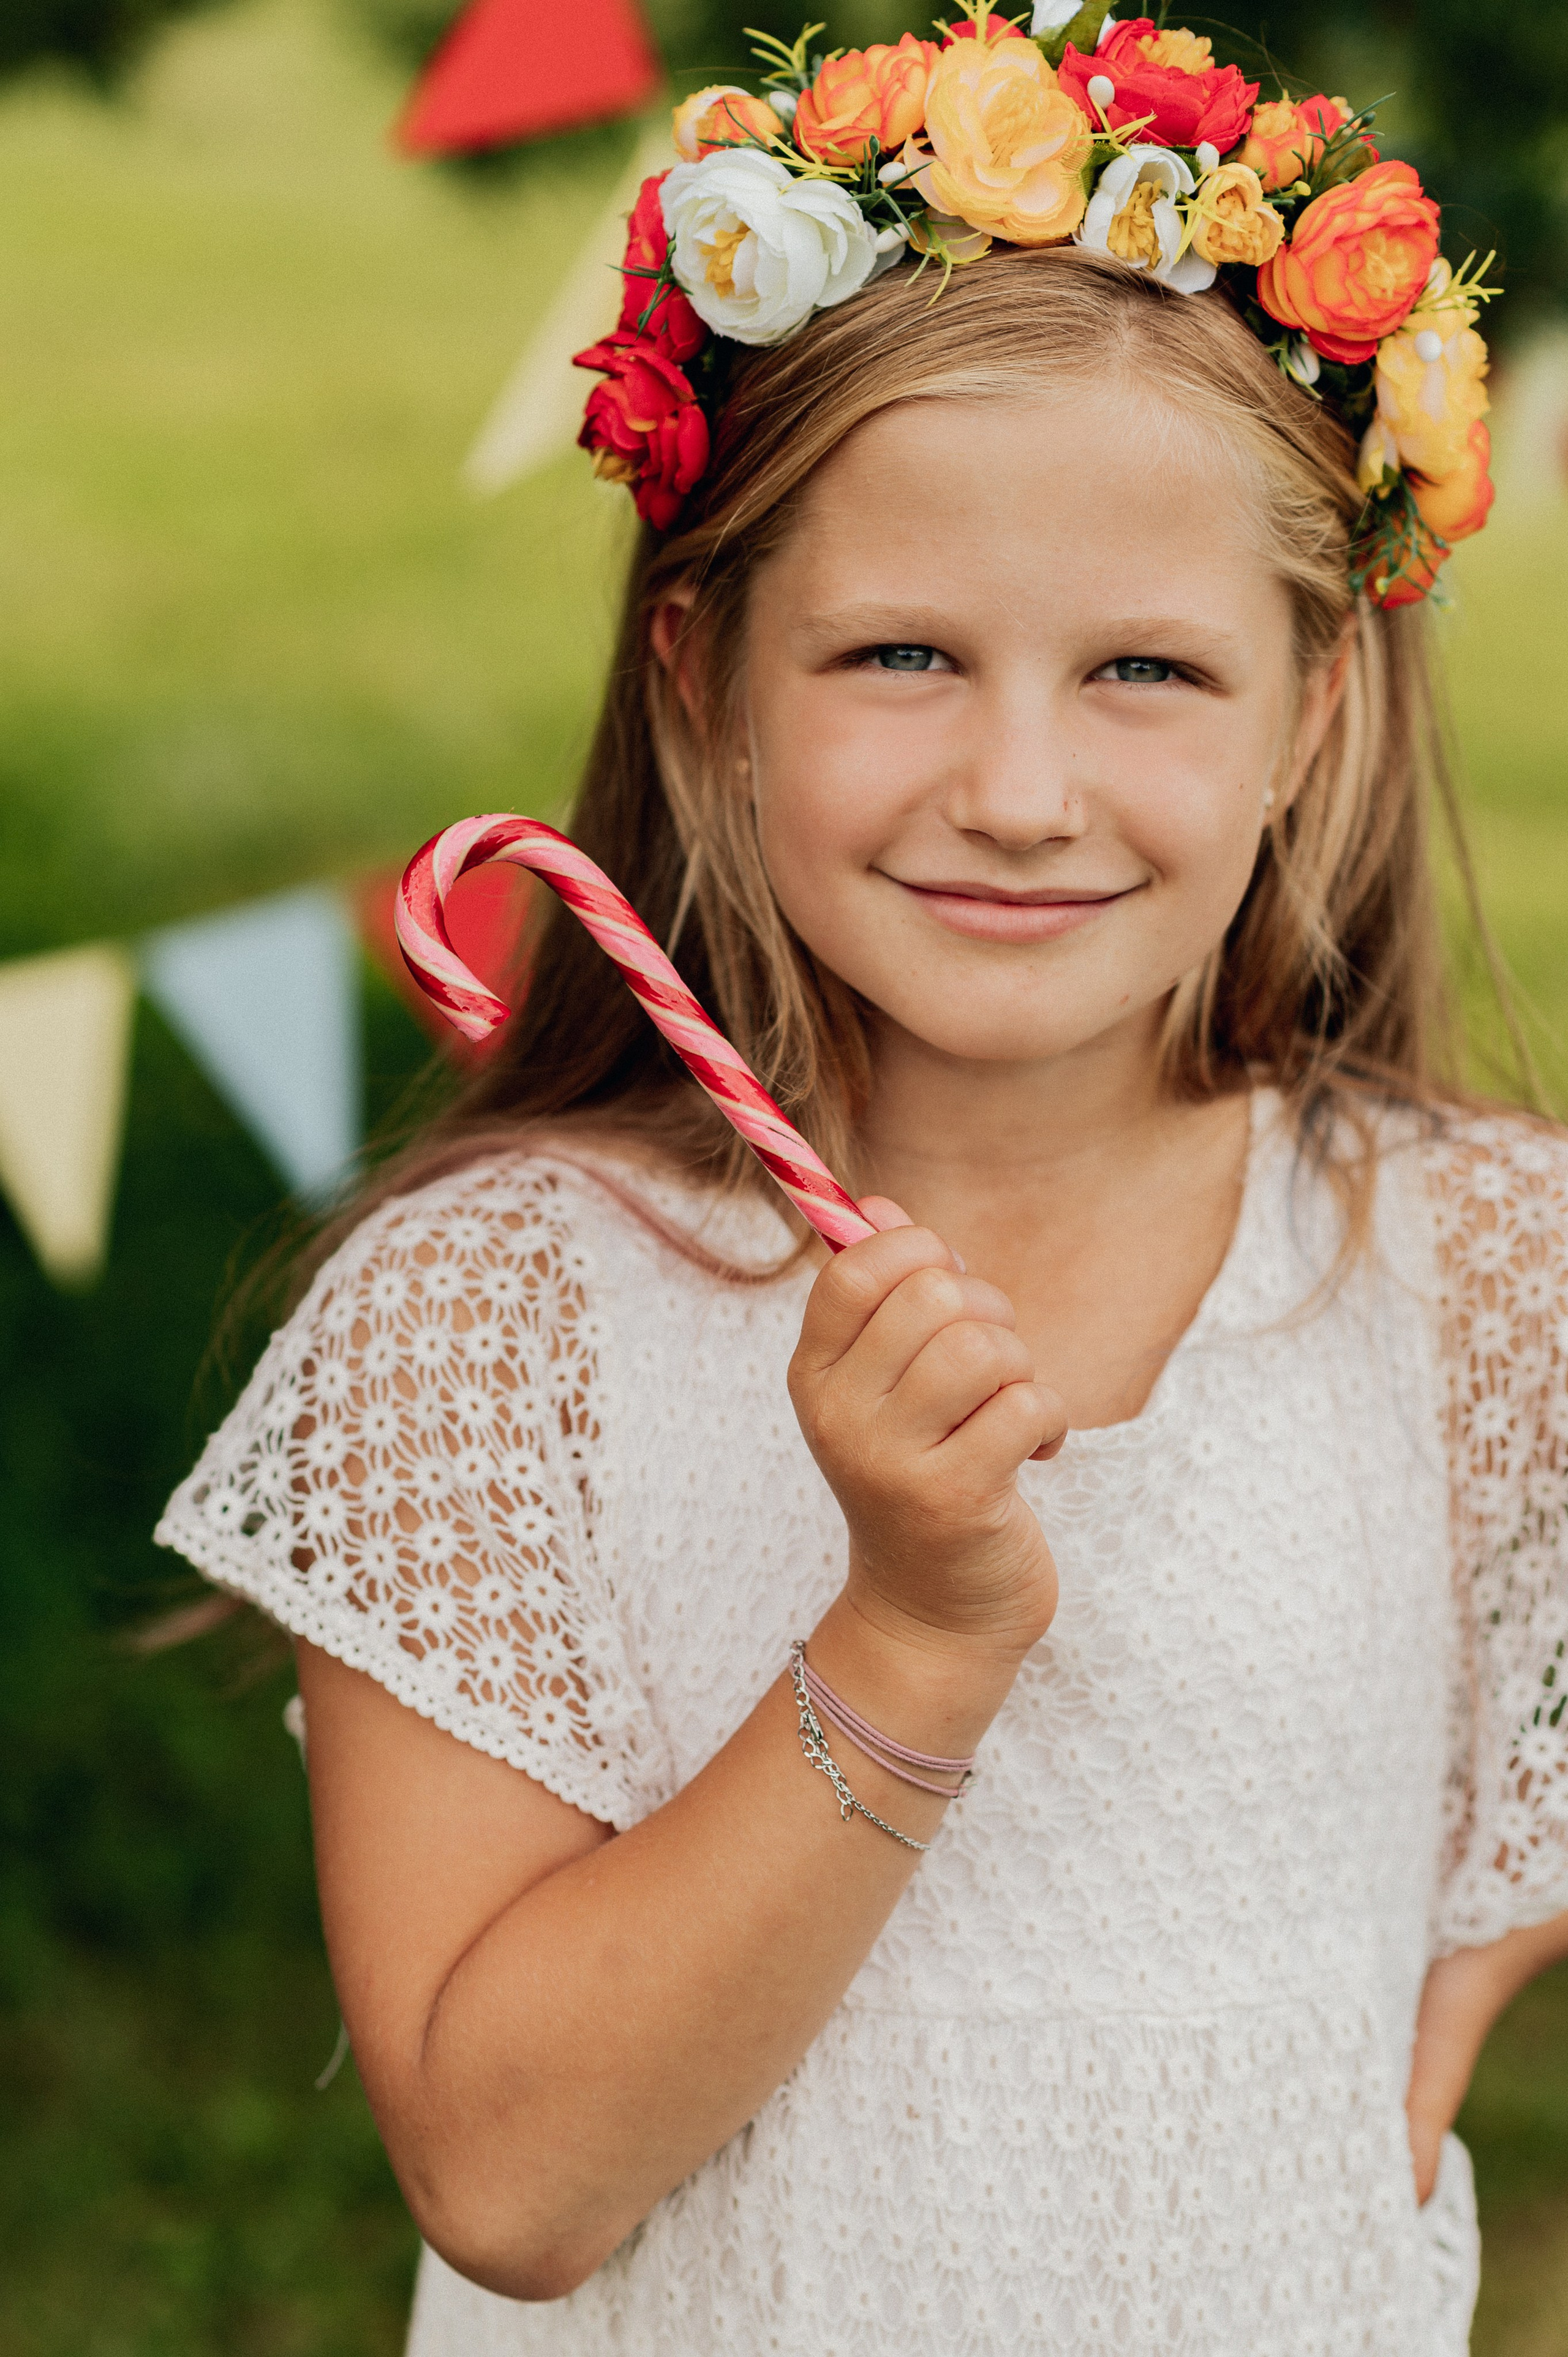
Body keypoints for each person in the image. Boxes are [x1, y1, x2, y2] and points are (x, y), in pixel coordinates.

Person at [157, 16, 1568, 2351]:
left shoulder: (1481, 1268)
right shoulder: (490, 1319)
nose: (1023, 787)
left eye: (1147, 670)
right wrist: (914, 1632)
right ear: (707, 677)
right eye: (902, 653)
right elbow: (515, 2178)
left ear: (1314, 709)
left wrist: (1510, 1889)